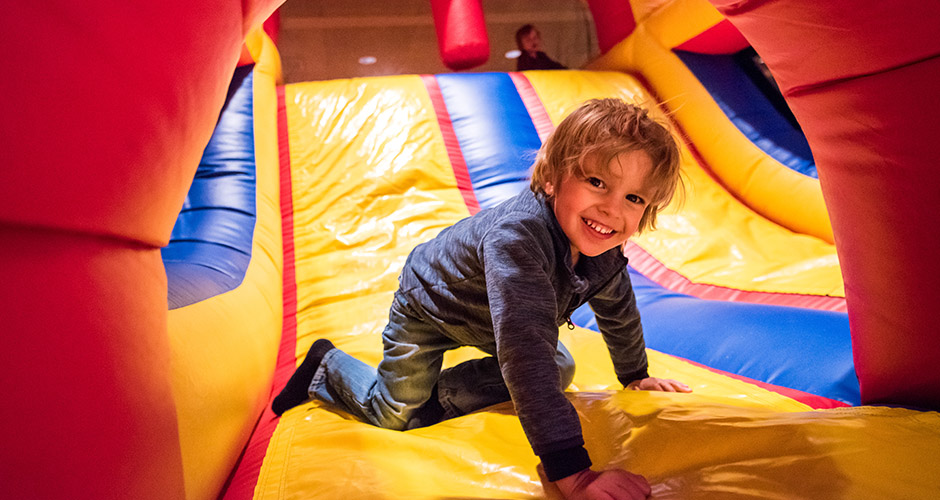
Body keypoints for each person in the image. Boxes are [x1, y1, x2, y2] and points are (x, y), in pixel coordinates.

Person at [273, 98, 691, 500]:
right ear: (552, 178)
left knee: (560, 366)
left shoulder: (604, 252)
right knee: (395, 414)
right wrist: (573, 474)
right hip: (431, 307)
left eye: (634, 198)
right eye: (597, 182)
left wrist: (634, 373)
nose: (611, 209)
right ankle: (325, 366)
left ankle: (434, 398)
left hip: (490, 315)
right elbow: (525, 351)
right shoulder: (518, 239)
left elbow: (617, 308)